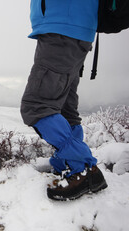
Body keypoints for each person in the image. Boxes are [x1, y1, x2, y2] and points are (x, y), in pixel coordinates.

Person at [21, 0, 108, 201]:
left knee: (36, 106)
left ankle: (85, 168)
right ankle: (67, 163)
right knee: (64, 107)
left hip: (63, 26)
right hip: (76, 27)